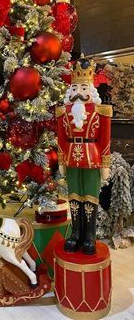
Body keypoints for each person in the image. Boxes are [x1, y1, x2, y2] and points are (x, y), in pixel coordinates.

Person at [56, 58, 112, 255]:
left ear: (90, 88)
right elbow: (61, 138)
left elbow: (105, 139)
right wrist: (61, 161)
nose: (78, 92)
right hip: (71, 157)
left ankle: (89, 235)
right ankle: (75, 233)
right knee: (73, 195)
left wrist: (105, 164)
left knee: (90, 195)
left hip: (92, 157)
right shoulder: (63, 112)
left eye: (83, 87)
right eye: (75, 87)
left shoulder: (101, 111)